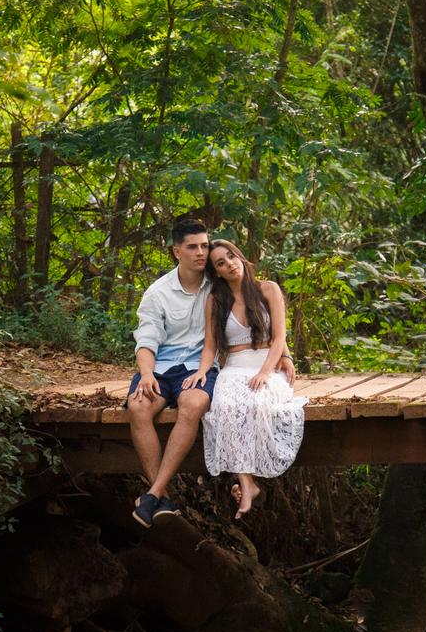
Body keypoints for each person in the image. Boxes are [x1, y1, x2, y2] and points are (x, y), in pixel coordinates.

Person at [126, 220, 294, 528]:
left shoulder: (218, 285)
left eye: (205, 246)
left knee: (193, 405)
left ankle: (152, 496)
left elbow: (264, 323)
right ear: (176, 252)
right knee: (137, 407)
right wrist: (146, 373)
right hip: (161, 368)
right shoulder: (158, 293)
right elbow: (146, 340)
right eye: (192, 247)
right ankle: (159, 495)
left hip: (196, 370)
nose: (201, 253)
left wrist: (282, 355)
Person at [183, 239, 306, 518]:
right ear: (217, 272)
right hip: (234, 368)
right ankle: (246, 482)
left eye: (231, 256)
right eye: (221, 263)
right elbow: (211, 347)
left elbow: (279, 339)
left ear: (240, 256)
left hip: (267, 365)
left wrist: (266, 371)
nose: (230, 264)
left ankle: (246, 481)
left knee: (255, 404)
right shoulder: (216, 299)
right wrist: (202, 371)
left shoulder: (268, 289)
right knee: (225, 405)